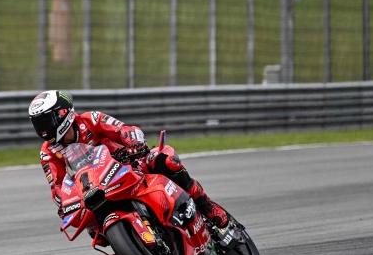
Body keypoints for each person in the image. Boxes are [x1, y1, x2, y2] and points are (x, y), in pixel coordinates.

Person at [29, 90, 231, 229]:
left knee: (164, 160)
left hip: (127, 166)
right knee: (89, 225)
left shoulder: (91, 119)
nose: (43, 129)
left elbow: (123, 129)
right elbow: (57, 185)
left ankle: (207, 206)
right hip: (95, 190)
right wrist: (63, 204)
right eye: (38, 124)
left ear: (63, 113)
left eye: (46, 120)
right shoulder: (48, 153)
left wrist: (133, 143)